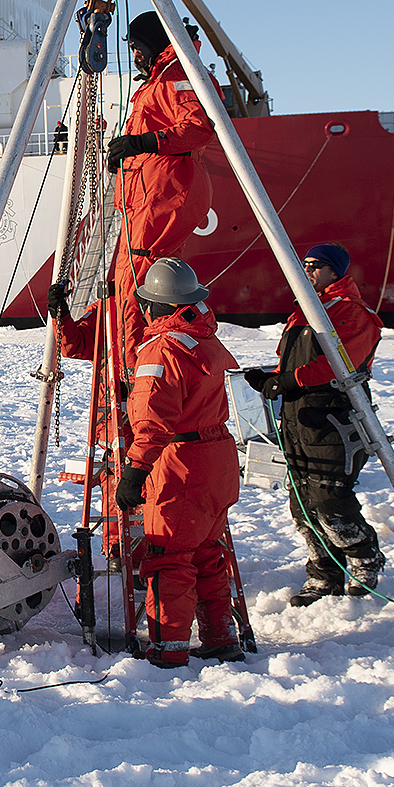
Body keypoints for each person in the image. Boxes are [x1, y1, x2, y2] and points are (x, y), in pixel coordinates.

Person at [113, 258, 245, 667]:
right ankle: (221, 638)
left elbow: (152, 420)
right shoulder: (204, 341)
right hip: (217, 459)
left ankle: (167, 653)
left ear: (155, 306)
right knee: (207, 551)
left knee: (169, 557)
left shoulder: (160, 349)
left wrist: (135, 470)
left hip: (182, 464)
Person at [243, 243, 387, 605]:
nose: (306, 272)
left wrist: (290, 380)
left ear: (335, 272)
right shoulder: (304, 313)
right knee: (302, 501)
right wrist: (271, 378)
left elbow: (340, 363)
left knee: (329, 498)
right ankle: (324, 574)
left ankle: (364, 558)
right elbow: (290, 362)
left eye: (315, 266)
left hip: (333, 417)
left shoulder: (350, 313)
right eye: (304, 265)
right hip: (298, 416)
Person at [101, 11, 215, 371]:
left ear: (155, 45)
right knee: (132, 280)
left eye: (138, 46)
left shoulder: (176, 78)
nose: (134, 54)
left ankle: (135, 373)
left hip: (162, 197)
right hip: (148, 197)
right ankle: (132, 366)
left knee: (139, 280)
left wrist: (141, 142)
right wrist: (126, 154)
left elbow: (197, 127)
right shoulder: (160, 81)